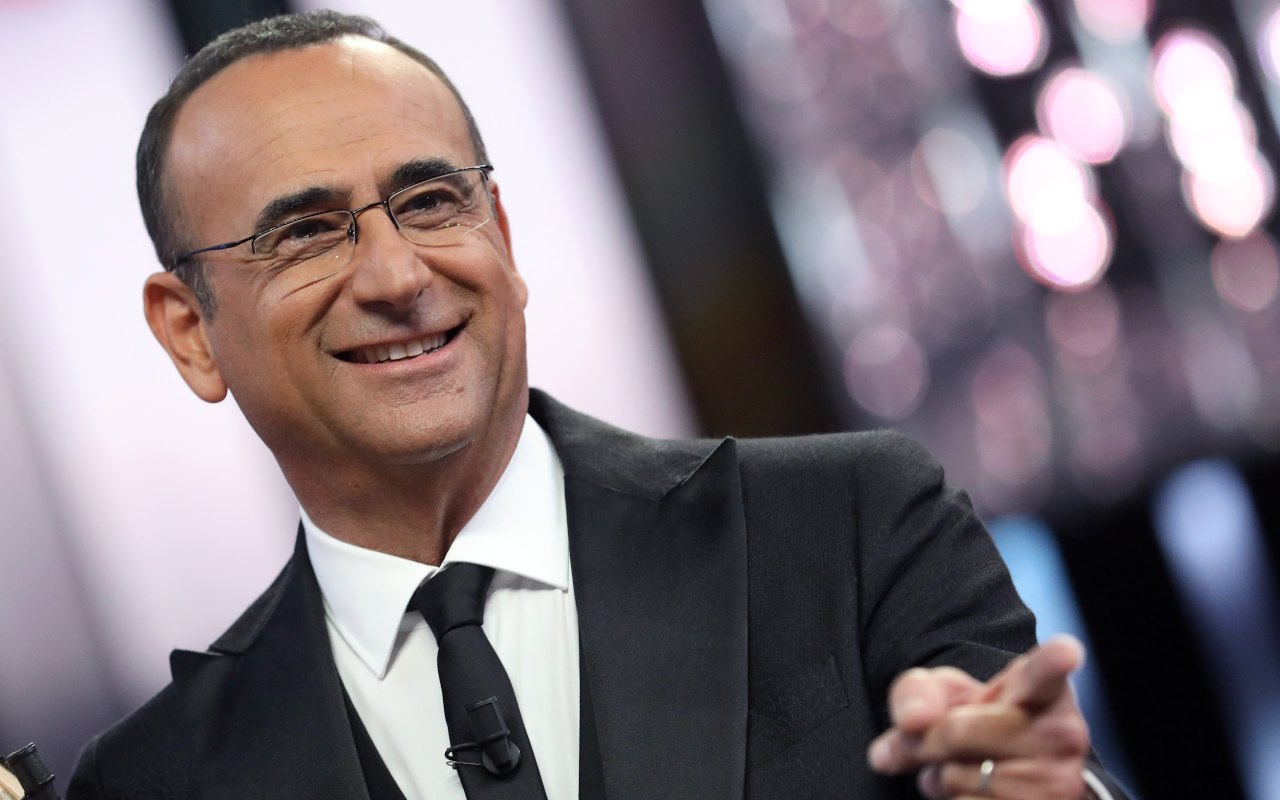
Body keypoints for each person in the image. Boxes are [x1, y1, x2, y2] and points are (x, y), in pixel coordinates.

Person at [66, 11, 1125, 800]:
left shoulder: (848, 525)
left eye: (430, 202)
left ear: (502, 236)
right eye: (304, 232)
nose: (396, 274)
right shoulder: (152, 779)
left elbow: (1013, 763)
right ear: (189, 330)